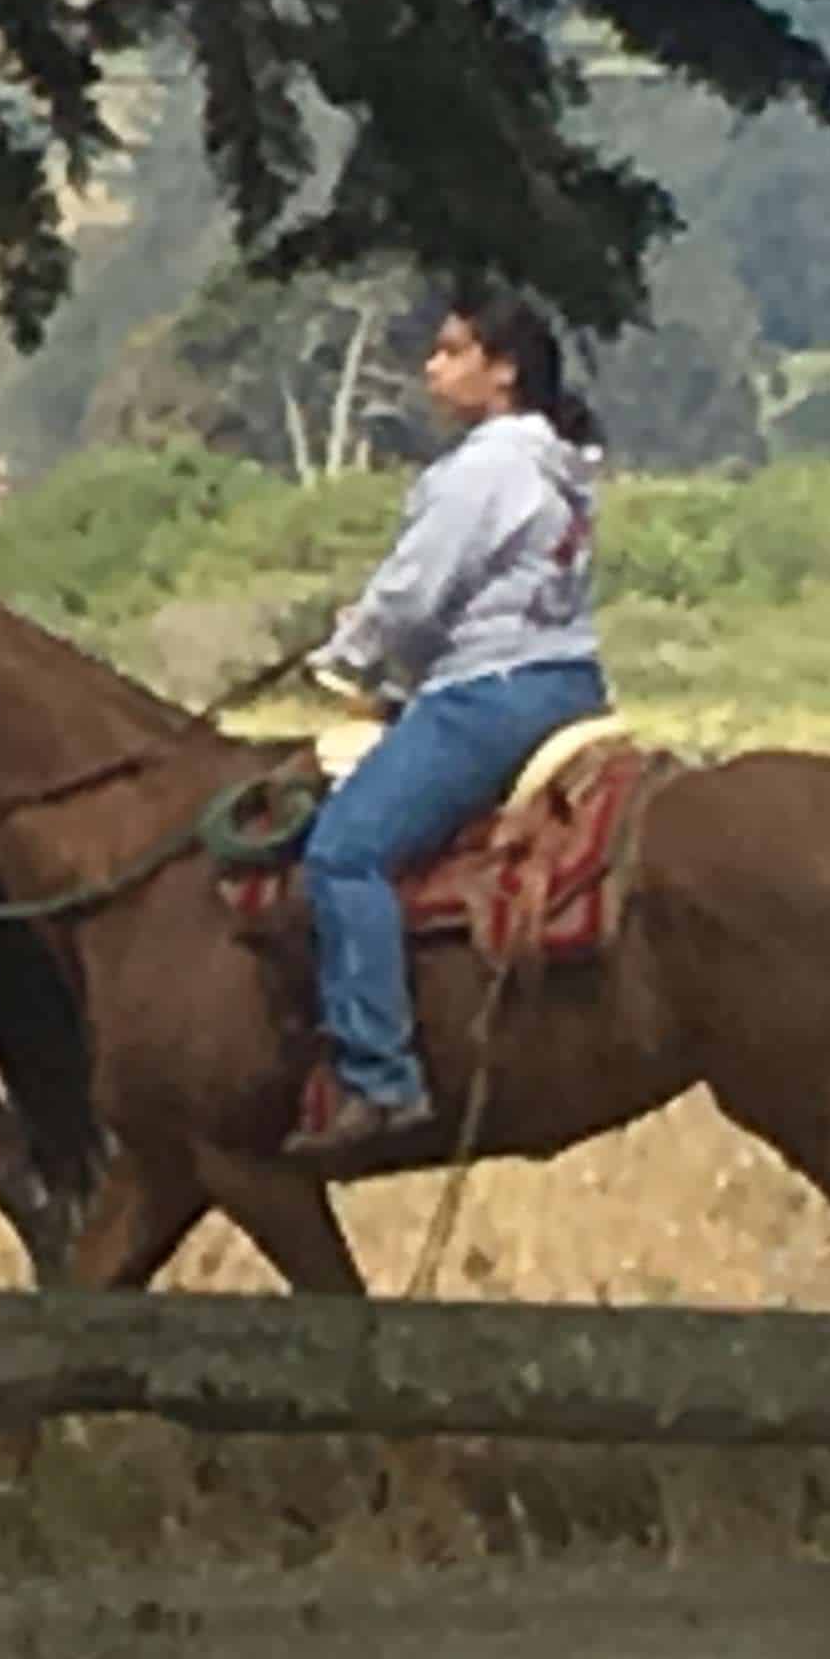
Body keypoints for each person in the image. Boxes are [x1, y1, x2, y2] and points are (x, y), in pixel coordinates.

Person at [286, 289, 609, 1158]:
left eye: (451, 351)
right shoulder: (562, 463)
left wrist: (350, 650)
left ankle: (379, 1077)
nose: (432, 368)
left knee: (343, 851)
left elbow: (414, 593)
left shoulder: (482, 467)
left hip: (488, 692)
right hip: (568, 681)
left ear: (501, 372)